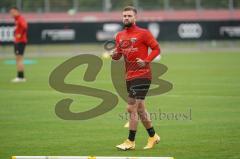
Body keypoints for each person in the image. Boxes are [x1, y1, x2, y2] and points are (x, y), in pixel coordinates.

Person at [111, 6, 161, 150]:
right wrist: (114, 55)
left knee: (131, 107)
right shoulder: (119, 35)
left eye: (129, 16)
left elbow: (157, 49)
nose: (126, 18)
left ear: (135, 18)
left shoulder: (144, 33)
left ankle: (130, 141)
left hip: (143, 75)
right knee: (140, 109)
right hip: (129, 76)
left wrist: (146, 60)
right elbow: (118, 55)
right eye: (124, 16)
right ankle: (153, 136)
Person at [9, 7, 28, 82]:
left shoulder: (20, 18)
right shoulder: (17, 19)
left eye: (13, 12)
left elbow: (25, 27)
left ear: (17, 11)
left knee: (19, 59)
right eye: (11, 12)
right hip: (19, 41)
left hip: (20, 42)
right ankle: (21, 77)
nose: (11, 14)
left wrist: (20, 35)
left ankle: (20, 77)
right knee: (18, 59)